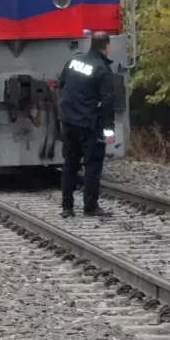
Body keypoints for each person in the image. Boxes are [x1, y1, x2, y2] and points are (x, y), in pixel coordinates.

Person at [57, 32, 116, 218]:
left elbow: (62, 84)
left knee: (70, 164)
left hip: (68, 122)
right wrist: (108, 131)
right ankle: (90, 207)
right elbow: (108, 103)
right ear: (106, 47)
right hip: (89, 125)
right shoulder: (102, 69)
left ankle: (67, 207)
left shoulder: (73, 61)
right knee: (92, 165)